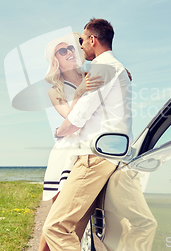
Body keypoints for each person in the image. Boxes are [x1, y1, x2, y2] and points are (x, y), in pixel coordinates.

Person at [42, 18, 133, 251]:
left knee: (55, 227)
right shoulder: (109, 67)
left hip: (93, 156)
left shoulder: (101, 70)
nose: (79, 46)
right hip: (91, 153)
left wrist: (59, 131)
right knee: (69, 224)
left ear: (93, 40)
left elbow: (76, 119)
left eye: (80, 41)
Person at [38, 32, 103, 251]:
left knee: (75, 222)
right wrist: (81, 92)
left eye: (71, 48)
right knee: (56, 220)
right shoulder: (54, 91)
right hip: (66, 153)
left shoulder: (91, 73)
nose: (69, 52)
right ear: (55, 60)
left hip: (91, 149)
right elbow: (71, 118)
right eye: (62, 50)